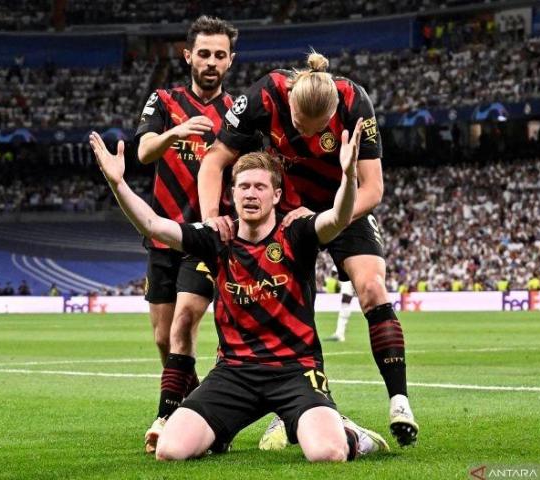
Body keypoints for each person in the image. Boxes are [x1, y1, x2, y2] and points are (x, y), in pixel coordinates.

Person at [89, 116, 389, 462]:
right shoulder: (217, 237)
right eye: (243, 186)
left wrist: (349, 176)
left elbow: (337, 218)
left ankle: (352, 435)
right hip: (234, 374)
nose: (250, 193)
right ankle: (222, 430)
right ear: (231, 193)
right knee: (170, 451)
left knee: (326, 453)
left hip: (295, 371)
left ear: (277, 195)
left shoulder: (298, 233)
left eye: (260, 187)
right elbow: (154, 225)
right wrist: (118, 183)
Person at [197, 50, 418, 447]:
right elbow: (214, 161)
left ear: (334, 113)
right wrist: (213, 218)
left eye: (321, 132)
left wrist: (323, 217)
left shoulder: (355, 103)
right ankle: (247, 411)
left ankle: (399, 400)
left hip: (342, 205)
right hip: (281, 210)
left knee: (372, 287)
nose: (311, 138)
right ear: (291, 105)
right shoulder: (264, 96)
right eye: (301, 126)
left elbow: (374, 188)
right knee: (254, 298)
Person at [133, 15, 240, 452]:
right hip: (163, 232)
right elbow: (142, 152)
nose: (211, 62)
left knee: (186, 319)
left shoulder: (237, 111)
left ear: (230, 60)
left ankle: (168, 412)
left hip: (206, 236)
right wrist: (175, 132)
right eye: (204, 54)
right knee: (163, 337)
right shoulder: (163, 100)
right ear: (188, 56)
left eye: (220, 55)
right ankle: (197, 410)